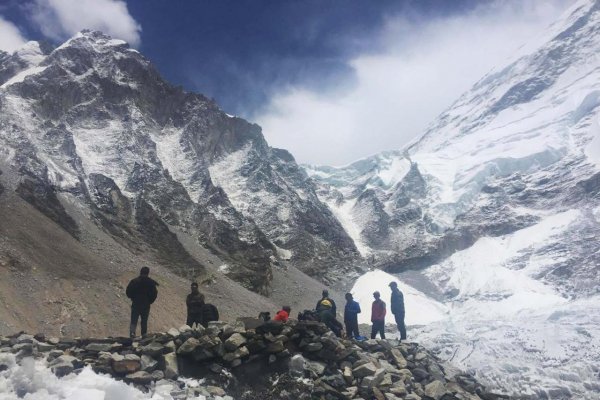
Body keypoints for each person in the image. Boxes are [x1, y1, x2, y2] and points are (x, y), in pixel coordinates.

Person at [126, 267, 158, 338]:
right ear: (148, 273)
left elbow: (128, 292)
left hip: (136, 304)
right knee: (144, 322)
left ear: (140, 272)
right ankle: (144, 337)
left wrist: (132, 298)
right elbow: (154, 294)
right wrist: (149, 301)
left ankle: (132, 335)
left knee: (133, 321)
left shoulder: (134, 281)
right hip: (146, 305)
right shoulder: (151, 283)